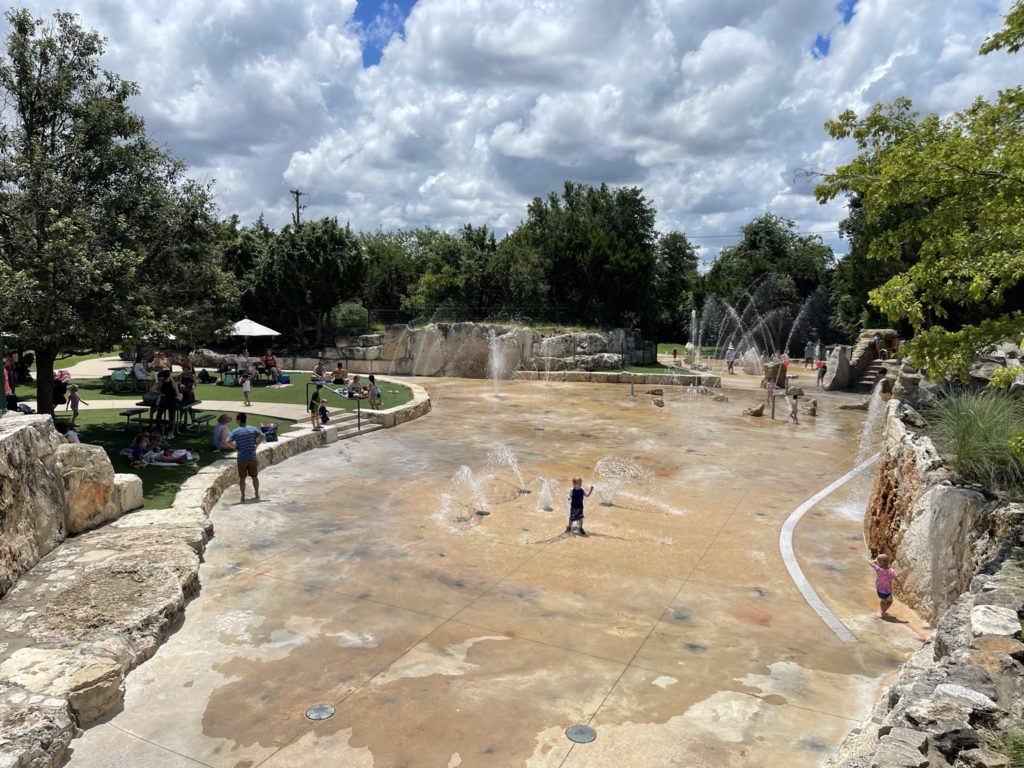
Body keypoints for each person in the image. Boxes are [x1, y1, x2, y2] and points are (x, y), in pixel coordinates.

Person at [226, 412, 265, 502]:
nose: (236, 421)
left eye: (236, 419)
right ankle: (256, 493)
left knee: (242, 478)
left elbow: (227, 441)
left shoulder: (236, 431)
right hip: (252, 457)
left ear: (239, 420)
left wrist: (235, 448)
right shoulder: (253, 429)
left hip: (242, 458)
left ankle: (243, 496)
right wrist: (256, 446)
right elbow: (263, 436)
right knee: (254, 477)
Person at [870, 552, 898, 618]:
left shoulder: (878, 569)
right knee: (889, 601)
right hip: (887, 591)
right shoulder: (892, 571)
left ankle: (882, 611)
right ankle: (883, 612)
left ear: (879, 563)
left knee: (883, 600)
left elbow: (870, 562)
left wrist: (875, 561)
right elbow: (896, 577)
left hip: (879, 590)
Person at [154, 369, 179, 436]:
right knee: (171, 417)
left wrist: (161, 393)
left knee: (159, 415)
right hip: (171, 402)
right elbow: (177, 395)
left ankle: (158, 430)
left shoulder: (161, 383)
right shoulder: (173, 384)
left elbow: (155, 389)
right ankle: (170, 432)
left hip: (163, 401)